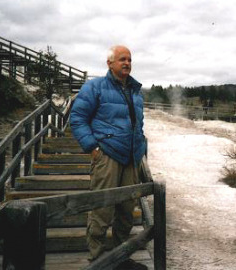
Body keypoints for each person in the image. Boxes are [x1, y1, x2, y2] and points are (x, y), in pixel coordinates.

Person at [70, 45, 147, 269]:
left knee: (126, 210)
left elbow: (138, 124)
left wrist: (140, 149)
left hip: (131, 159)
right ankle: (98, 259)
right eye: (122, 59)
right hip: (107, 156)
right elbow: (77, 118)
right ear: (109, 63)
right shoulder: (95, 87)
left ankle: (121, 256)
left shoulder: (135, 91)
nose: (127, 63)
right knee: (102, 209)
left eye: (130, 59)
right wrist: (92, 148)